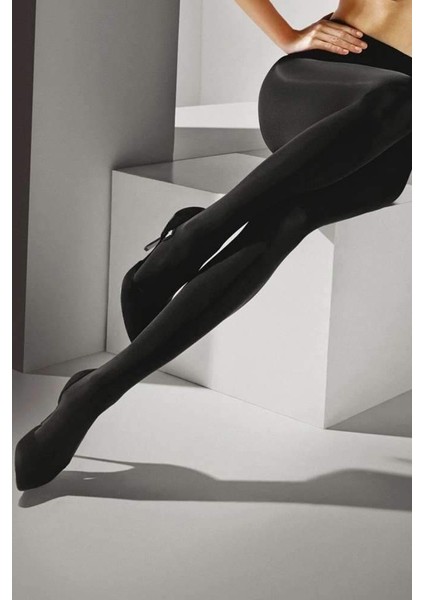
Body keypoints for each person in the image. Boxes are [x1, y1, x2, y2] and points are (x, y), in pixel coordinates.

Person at [15, 0, 412, 491]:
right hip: (319, 83)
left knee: (293, 217)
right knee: (398, 97)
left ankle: (95, 391)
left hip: (391, 132)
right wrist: (287, 35)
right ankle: (197, 235)